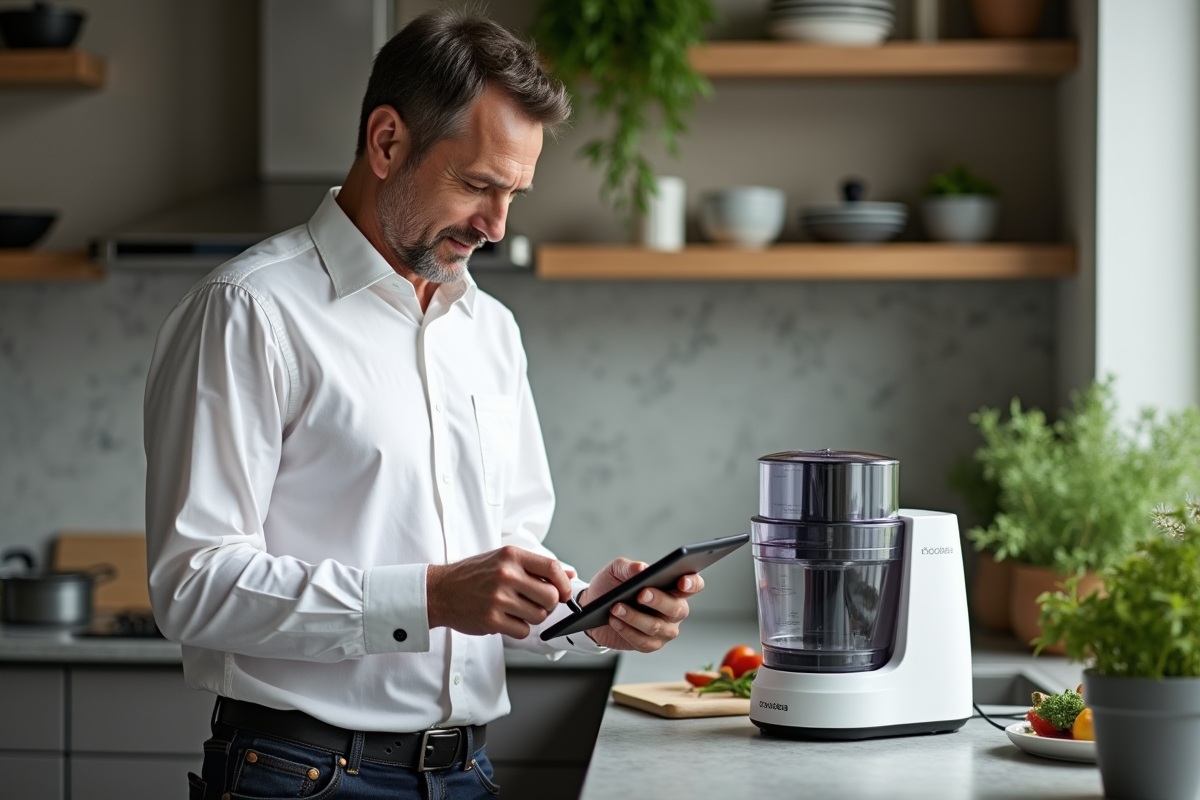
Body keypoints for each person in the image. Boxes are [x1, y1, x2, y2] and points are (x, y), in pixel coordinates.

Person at [143, 9, 705, 800]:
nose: (497, 226)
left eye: (514, 193)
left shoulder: (490, 330)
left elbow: (501, 548)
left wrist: (582, 610)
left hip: (467, 773)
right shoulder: (249, 312)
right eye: (478, 185)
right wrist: (434, 596)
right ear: (386, 142)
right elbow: (193, 584)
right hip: (299, 777)